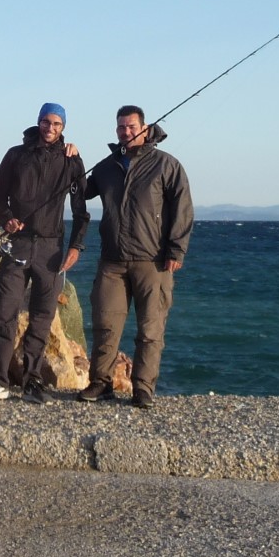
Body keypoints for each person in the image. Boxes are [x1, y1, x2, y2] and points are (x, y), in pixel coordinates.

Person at [78, 105, 193, 409]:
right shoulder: (106, 167)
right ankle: (100, 383)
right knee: (105, 325)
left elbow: (183, 208)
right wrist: (71, 160)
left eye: (131, 127)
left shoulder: (166, 164)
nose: (126, 132)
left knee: (150, 329)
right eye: (121, 127)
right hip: (112, 260)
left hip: (153, 260)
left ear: (144, 128)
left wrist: (176, 249)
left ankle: (143, 388)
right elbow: (81, 190)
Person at [0, 103, 89, 405]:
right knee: (3, 313)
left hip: (52, 250)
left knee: (42, 317)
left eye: (56, 124)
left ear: (63, 127)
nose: (50, 128)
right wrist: (7, 219)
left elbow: (81, 210)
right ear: (38, 122)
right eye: (45, 122)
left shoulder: (72, 161)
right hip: (18, 245)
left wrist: (76, 246)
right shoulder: (16, 155)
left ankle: (32, 382)